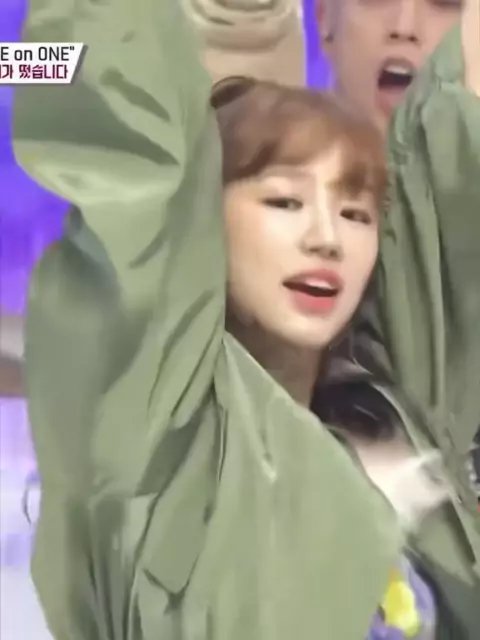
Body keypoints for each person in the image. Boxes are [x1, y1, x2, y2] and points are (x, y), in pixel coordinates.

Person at [13, 2, 411, 639]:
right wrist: (22, 58)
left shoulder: (372, 434)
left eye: (356, 213)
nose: (326, 238)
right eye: (284, 200)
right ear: (203, 224)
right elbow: (86, 80)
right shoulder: (154, 407)